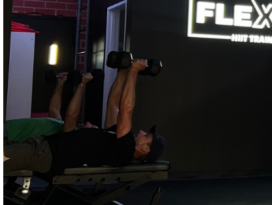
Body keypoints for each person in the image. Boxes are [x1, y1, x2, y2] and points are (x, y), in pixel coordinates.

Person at [3, 59, 165, 177]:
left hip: (45, 155)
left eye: (146, 136)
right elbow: (113, 105)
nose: (142, 131)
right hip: (41, 144)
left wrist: (134, 73)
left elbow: (125, 109)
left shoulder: (125, 151)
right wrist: (123, 71)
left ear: (145, 149)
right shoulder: (115, 138)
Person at [4, 72, 98, 142]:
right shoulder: (61, 126)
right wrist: (60, 84)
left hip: (11, 135)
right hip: (10, 128)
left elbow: (71, 115)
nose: (88, 122)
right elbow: (54, 110)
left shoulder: (71, 134)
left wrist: (82, 85)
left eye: (92, 126)